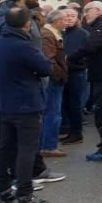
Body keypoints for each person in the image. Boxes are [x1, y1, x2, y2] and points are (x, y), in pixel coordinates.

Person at [0, 7, 53, 203]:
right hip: (27, 101)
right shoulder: (24, 46)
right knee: (27, 149)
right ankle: (25, 194)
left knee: (4, 146)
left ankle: (1, 190)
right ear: (27, 24)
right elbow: (45, 67)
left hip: (7, 101)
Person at [72, 1, 102, 162]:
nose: (85, 14)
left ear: (98, 11)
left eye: (87, 11)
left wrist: (70, 57)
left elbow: (91, 46)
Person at [38, 10, 69, 159]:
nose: (66, 22)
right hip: (53, 80)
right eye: (64, 19)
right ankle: (48, 146)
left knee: (52, 113)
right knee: (52, 113)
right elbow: (49, 58)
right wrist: (60, 74)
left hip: (55, 78)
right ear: (56, 21)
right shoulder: (48, 35)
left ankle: (47, 143)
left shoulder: (52, 34)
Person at [60, 9, 89, 145]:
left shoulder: (83, 34)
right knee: (65, 103)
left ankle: (77, 132)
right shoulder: (61, 32)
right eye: (67, 16)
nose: (70, 19)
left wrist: (69, 60)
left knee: (75, 104)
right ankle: (68, 129)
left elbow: (86, 53)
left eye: (73, 16)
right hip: (62, 72)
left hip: (76, 72)